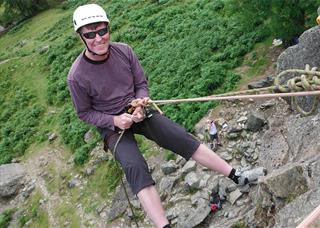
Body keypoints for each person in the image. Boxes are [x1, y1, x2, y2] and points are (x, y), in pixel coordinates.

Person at [67, 4, 249, 228]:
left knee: (179, 136)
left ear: (108, 28)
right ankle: (164, 226)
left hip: (137, 110)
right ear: (81, 37)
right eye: (90, 34)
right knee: (134, 166)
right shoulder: (77, 76)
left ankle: (236, 175)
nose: (98, 38)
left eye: (102, 30)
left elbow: (141, 84)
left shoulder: (124, 51)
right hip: (112, 124)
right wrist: (114, 120)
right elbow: (84, 113)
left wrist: (141, 102)